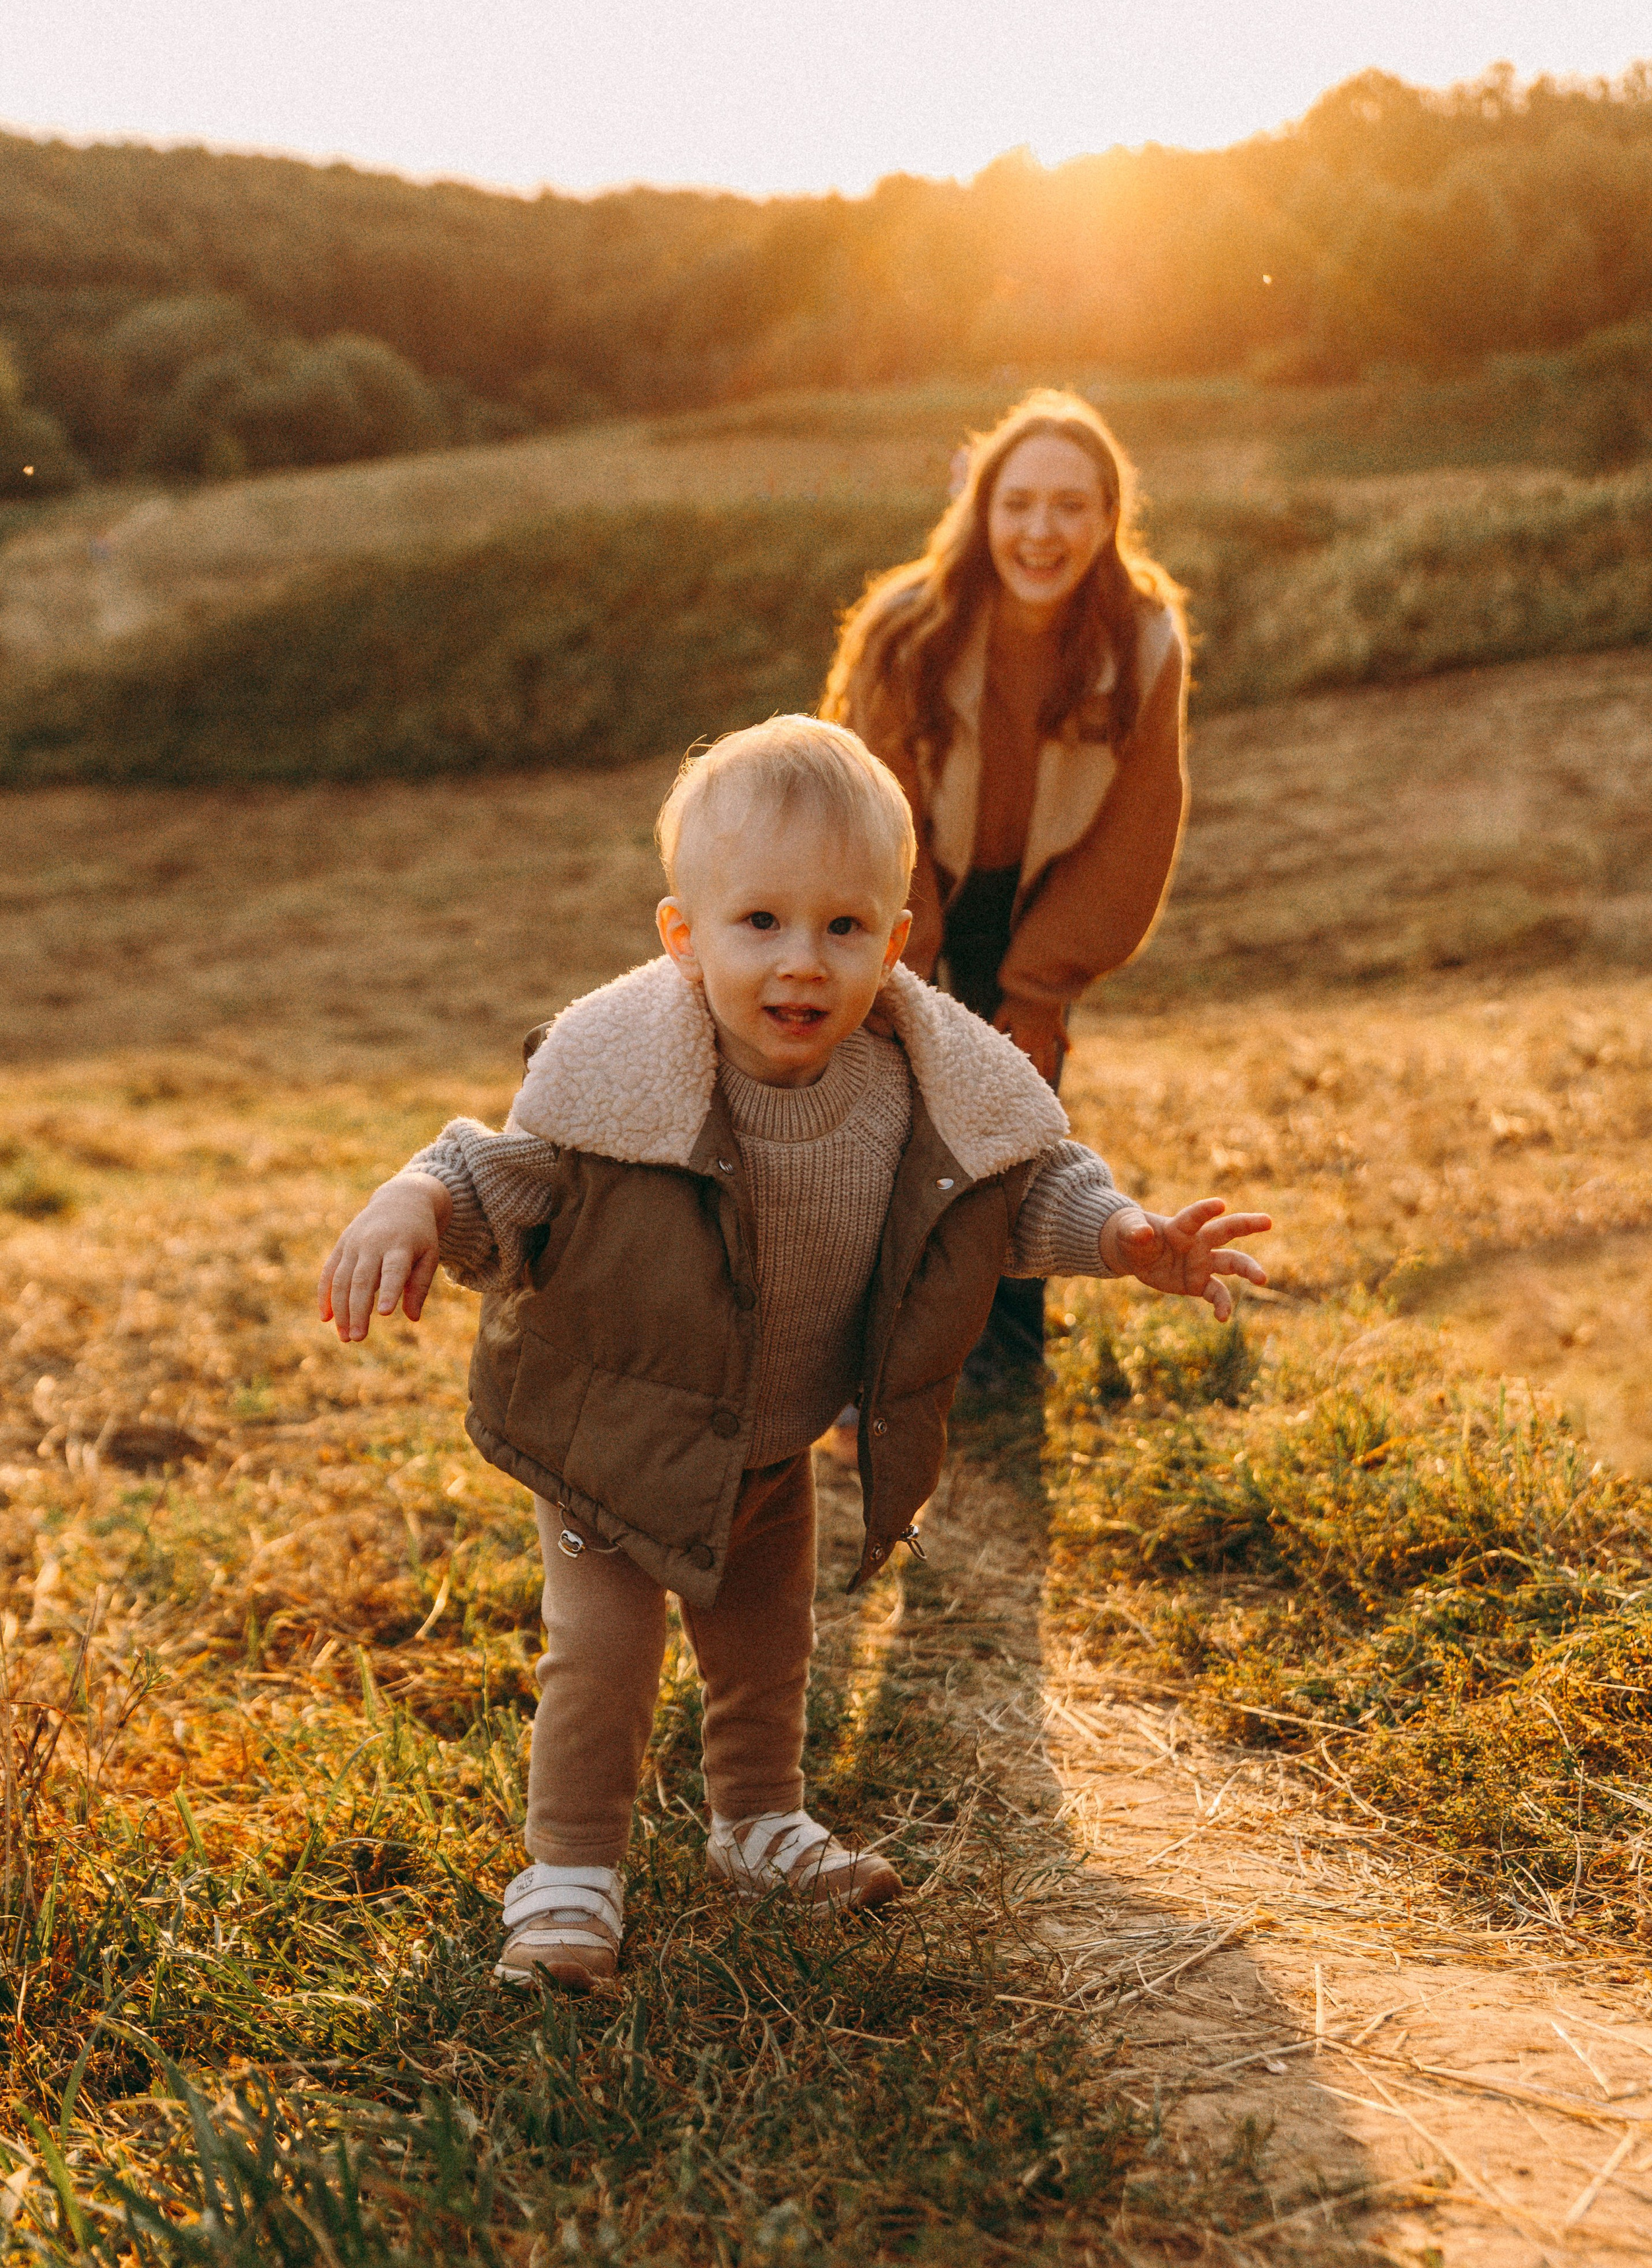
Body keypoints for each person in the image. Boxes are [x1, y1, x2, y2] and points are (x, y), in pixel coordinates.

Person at [317, 717, 1269, 1992]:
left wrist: (1126, 1237)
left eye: (843, 926)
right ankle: (570, 1873)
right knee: (603, 1659)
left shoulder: (915, 1086)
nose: (801, 961)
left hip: (768, 1444)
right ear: (684, 937)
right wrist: (414, 1198)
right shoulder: (622, 1081)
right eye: (759, 922)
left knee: (768, 1646)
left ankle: (758, 1820)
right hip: (612, 1441)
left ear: (897, 942)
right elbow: (502, 1175)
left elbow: (1010, 1191)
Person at [822, 389, 1188, 1394]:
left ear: (1109, 517)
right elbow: (875, 806)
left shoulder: (1143, 640)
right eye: (1018, 502)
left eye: (1070, 505)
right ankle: (865, 1360)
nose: (1041, 531)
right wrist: (901, 967)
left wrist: (1038, 988)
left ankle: (1006, 1360)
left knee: (1016, 1122)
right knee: (881, 1123)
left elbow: (1135, 829)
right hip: (896, 893)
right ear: (981, 510)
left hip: (1038, 905)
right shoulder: (907, 627)